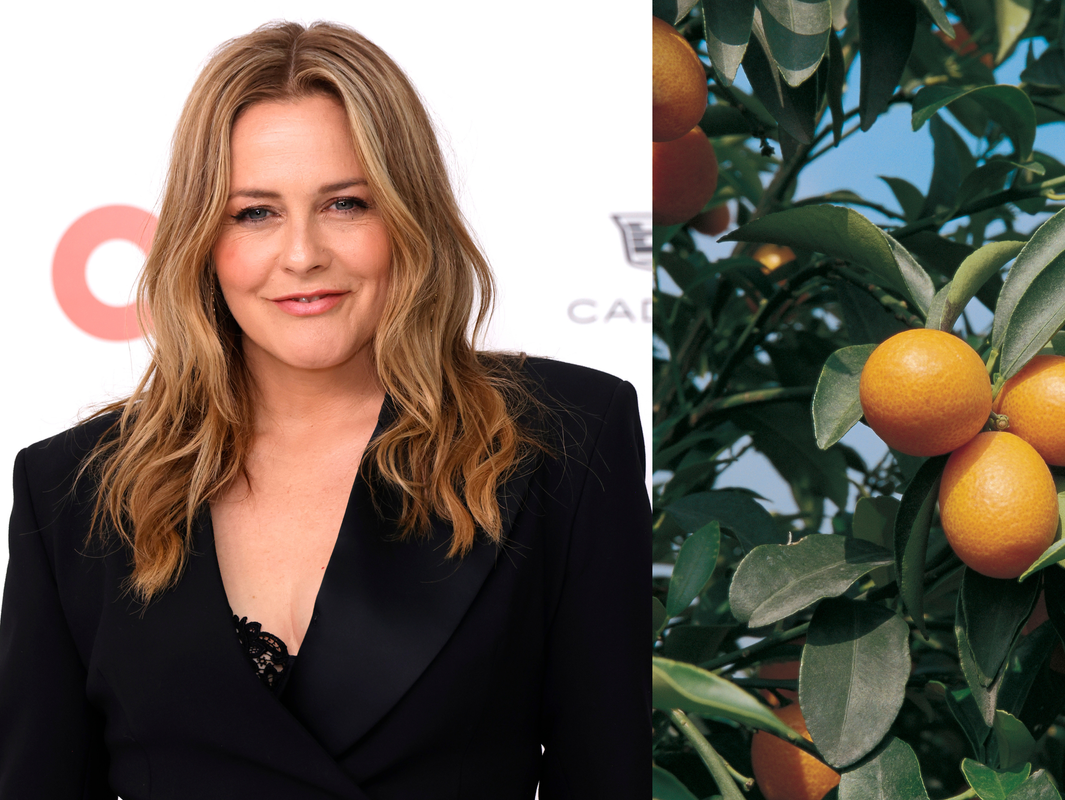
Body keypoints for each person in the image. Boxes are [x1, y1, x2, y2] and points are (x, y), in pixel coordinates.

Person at [0, 21, 649, 799]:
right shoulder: (69, 489)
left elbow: (612, 773)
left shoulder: (564, 440)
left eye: (345, 203)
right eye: (255, 213)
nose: (303, 254)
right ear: (202, 238)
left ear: (409, 216)